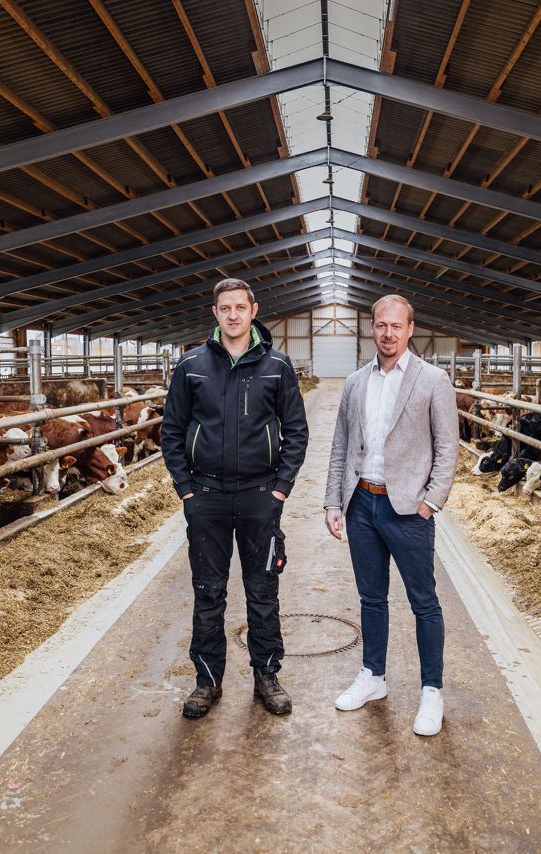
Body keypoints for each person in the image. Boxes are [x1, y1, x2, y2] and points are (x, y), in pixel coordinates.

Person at [161, 278, 309, 719]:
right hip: (205, 494)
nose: (232, 315)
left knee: (262, 590)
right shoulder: (191, 365)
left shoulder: (278, 366)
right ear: (215, 313)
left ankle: (267, 675)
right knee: (208, 591)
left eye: (240, 307)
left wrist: (280, 488)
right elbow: (171, 431)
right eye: (224, 308)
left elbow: (296, 432)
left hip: (260, 495)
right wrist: (185, 488)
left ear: (253, 310)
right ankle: (207, 680)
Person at [323, 294, 459, 736]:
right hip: (363, 502)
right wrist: (333, 501)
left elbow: (447, 448)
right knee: (371, 597)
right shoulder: (355, 382)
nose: (388, 333)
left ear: (410, 329)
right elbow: (341, 445)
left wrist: (431, 502)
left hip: (408, 509)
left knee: (424, 602)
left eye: (396, 326)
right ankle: (373, 677)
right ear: (372, 327)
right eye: (381, 325)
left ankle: (431, 692)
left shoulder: (433, 380)